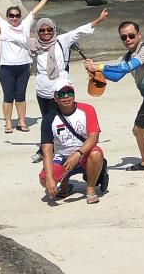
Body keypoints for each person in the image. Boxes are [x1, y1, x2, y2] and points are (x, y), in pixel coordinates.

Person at [85, 21, 144, 187]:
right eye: (124, 37)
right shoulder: (127, 56)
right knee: (137, 131)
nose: (128, 39)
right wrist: (95, 72)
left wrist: (98, 65)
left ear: (139, 34)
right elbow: (117, 76)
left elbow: (127, 68)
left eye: (131, 35)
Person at [28, 9, 109, 162]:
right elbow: (14, 38)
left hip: (59, 87)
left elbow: (79, 31)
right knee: (47, 120)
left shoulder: (62, 40)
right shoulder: (34, 44)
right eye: (42, 30)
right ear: (37, 32)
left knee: (57, 119)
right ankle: (47, 149)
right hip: (42, 89)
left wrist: (99, 19)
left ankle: (51, 150)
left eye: (49, 29)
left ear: (54, 30)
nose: (46, 32)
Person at [0, 0, 50, 133]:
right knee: (8, 96)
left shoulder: (25, 25)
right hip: (6, 68)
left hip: (23, 67)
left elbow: (34, 12)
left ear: (20, 17)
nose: (14, 18)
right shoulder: (3, 25)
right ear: (7, 17)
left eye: (17, 16)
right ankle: (8, 122)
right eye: (11, 15)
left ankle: (22, 122)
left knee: (20, 96)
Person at [39, 85, 108, 204]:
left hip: (84, 153)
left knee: (96, 153)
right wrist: (50, 178)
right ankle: (65, 185)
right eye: (61, 94)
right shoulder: (49, 118)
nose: (66, 96)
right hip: (62, 156)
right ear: (55, 98)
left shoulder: (87, 109)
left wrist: (78, 154)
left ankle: (90, 188)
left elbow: (94, 136)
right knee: (44, 180)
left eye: (69, 93)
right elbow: (46, 150)